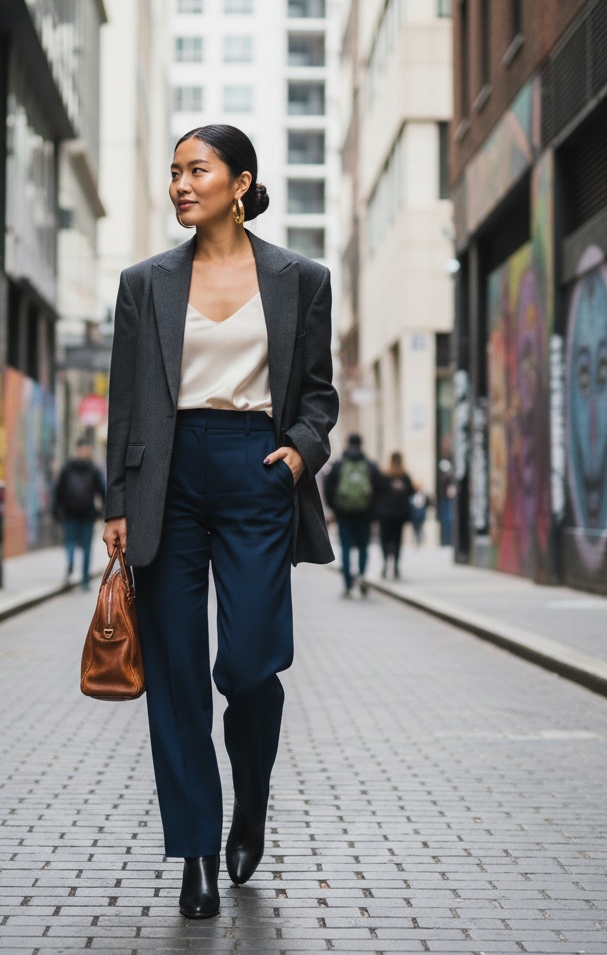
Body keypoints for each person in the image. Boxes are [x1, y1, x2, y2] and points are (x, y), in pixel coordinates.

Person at [102, 125, 338, 920]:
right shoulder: (146, 283)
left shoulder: (301, 279)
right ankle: (197, 852)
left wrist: (300, 455)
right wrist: (115, 503)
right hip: (165, 477)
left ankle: (252, 797)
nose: (179, 184)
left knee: (248, 664)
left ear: (240, 183)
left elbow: (317, 398)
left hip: (255, 468)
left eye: (195, 170)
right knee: (174, 678)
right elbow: (127, 400)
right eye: (173, 172)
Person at [324, 434, 382, 596]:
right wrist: (372, 509)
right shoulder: (369, 465)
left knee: (346, 547)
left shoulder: (339, 464)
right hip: (365, 514)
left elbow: (328, 489)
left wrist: (335, 509)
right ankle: (361, 576)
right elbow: (380, 488)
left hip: (344, 514)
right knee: (363, 546)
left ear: (348, 444)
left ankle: (348, 584)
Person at [54, 440, 105, 590]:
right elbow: (101, 491)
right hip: (87, 513)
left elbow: (59, 490)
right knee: (87, 547)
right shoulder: (93, 468)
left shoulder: (67, 467)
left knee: (70, 541)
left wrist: (57, 509)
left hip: (70, 512)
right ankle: (84, 581)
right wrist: (105, 511)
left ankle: (70, 561)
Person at [375, 452, 414, 578]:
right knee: (397, 539)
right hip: (399, 515)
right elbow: (411, 492)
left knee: (385, 539)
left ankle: (386, 563)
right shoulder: (404, 476)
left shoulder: (385, 475)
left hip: (385, 515)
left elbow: (377, 492)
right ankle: (396, 565)